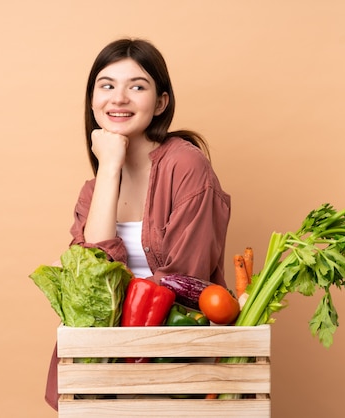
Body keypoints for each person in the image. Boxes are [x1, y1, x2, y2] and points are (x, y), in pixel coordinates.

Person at [43, 38, 231, 410]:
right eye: (107, 85)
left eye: (137, 86)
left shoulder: (187, 167)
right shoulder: (93, 190)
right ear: (92, 99)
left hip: (175, 357)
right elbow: (89, 283)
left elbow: (186, 279)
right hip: (107, 362)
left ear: (161, 102)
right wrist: (110, 168)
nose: (119, 98)